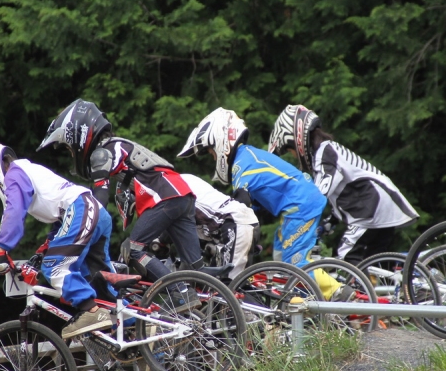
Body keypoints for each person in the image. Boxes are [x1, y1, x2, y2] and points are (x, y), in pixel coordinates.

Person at [37, 99, 202, 311]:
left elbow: (98, 203)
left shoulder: (102, 153)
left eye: (70, 149)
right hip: (183, 196)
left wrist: (83, 234)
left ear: (78, 135)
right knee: (196, 268)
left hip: (165, 197)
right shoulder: (117, 146)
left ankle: (179, 291)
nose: (71, 154)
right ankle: (237, 302)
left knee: (134, 250)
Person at [0, 141, 117, 339]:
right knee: (97, 282)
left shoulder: (14, 175)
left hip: (82, 209)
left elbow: (15, 211)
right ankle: (134, 327)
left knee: (55, 267)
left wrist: (1, 249)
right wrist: (43, 250)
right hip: (92, 211)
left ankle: (91, 312)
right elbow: (61, 221)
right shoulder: (26, 171)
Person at [177, 108, 326, 270]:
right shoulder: (247, 156)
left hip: (301, 204)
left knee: (295, 264)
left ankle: (338, 291)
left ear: (220, 141)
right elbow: (252, 208)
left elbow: (239, 207)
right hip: (299, 203)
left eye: (211, 152)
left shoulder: (243, 164)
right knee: (280, 257)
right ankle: (300, 289)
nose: (214, 157)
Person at [268, 105, 419, 265]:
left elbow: (317, 196)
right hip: (380, 205)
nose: (293, 155)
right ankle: (401, 285)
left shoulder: (324, 153)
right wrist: (329, 222)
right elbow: (343, 193)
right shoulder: (329, 151)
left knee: (346, 259)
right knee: (374, 263)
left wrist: (301, 224)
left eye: (289, 150)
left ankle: (356, 288)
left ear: (297, 141)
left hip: (370, 209)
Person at [179, 173, 259, 278]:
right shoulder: (187, 178)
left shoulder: (174, 191)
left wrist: (161, 241)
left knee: (227, 287)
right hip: (244, 220)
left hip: (235, 222)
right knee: (217, 283)